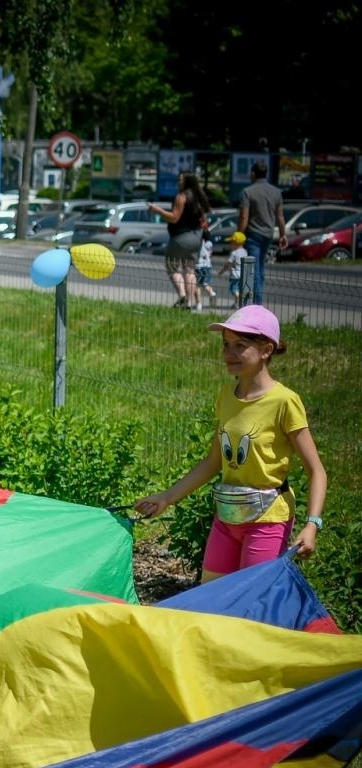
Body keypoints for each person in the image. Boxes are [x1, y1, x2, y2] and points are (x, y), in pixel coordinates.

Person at [133, 306, 326, 580]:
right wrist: (167, 497)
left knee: (252, 598)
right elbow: (213, 462)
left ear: (266, 350)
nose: (229, 353)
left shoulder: (284, 402)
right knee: (212, 594)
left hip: (267, 521)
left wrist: (312, 525)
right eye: (226, 344)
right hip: (228, 515)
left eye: (240, 345)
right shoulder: (226, 395)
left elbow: (316, 471)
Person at [149, 172, 210, 310]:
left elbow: (174, 217)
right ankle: (189, 303)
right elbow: (204, 218)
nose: (178, 182)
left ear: (187, 181)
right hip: (196, 237)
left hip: (181, 237)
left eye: (180, 180)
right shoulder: (199, 197)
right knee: (190, 270)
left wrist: (157, 210)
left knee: (172, 266)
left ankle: (182, 295)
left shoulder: (181, 197)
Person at [237, 160, 285, 306]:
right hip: (268, 235)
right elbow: (280, 217)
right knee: (261, 268)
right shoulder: (276, 192)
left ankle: (257, 303)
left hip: (253, 235)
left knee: (254, 270)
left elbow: (244, 217)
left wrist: (239, 236)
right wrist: (283, 235)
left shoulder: (248, 192)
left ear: (253, 173)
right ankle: (257, 299)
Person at [221, 231, 251, 307]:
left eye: (232, 242)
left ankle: (240, 299)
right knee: (240, 289)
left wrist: (222, 271)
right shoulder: (245, 251)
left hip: (235, 275)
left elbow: (228, 264)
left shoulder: (234, 253)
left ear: (236, 243)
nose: (230, 244)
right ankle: (237, 303)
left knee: (233, 289)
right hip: (243, 274)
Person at [195, 232, 218, 307]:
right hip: (208, 266)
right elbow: (210, 253)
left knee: (197, 285)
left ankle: (199, 304)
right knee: (205, 284)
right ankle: (212, 293)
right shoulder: (209, 243)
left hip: (199, 266)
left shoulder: (198, 243)